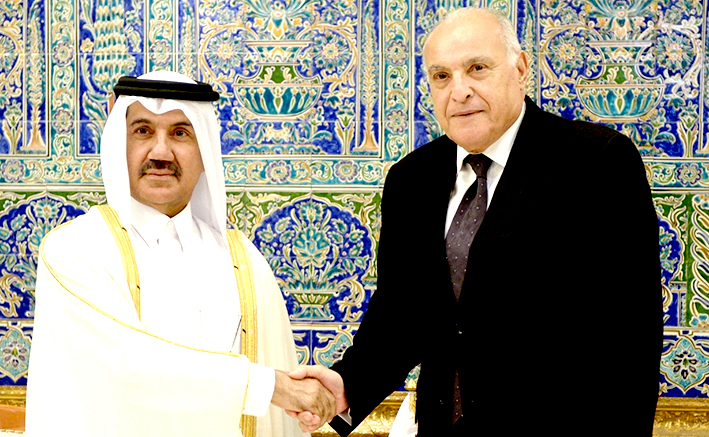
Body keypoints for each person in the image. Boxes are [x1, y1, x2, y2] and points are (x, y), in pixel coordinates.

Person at [290, 7, 663, 436]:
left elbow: (632, 337)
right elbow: (400, 312)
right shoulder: (411, 179)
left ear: (520, 69)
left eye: (477, 68)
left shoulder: (596, 162)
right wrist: (346, 384)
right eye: (441, 76)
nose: (459, 91)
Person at [26, 71, 335, 437]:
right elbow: (129, 366)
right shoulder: (75, 251)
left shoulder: (244, 262)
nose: (160, 153)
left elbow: (277, 418)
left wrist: (296, 393)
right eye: (143, 131)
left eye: (180, 133)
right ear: (119, 145)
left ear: (205, 151)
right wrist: (270, 385)